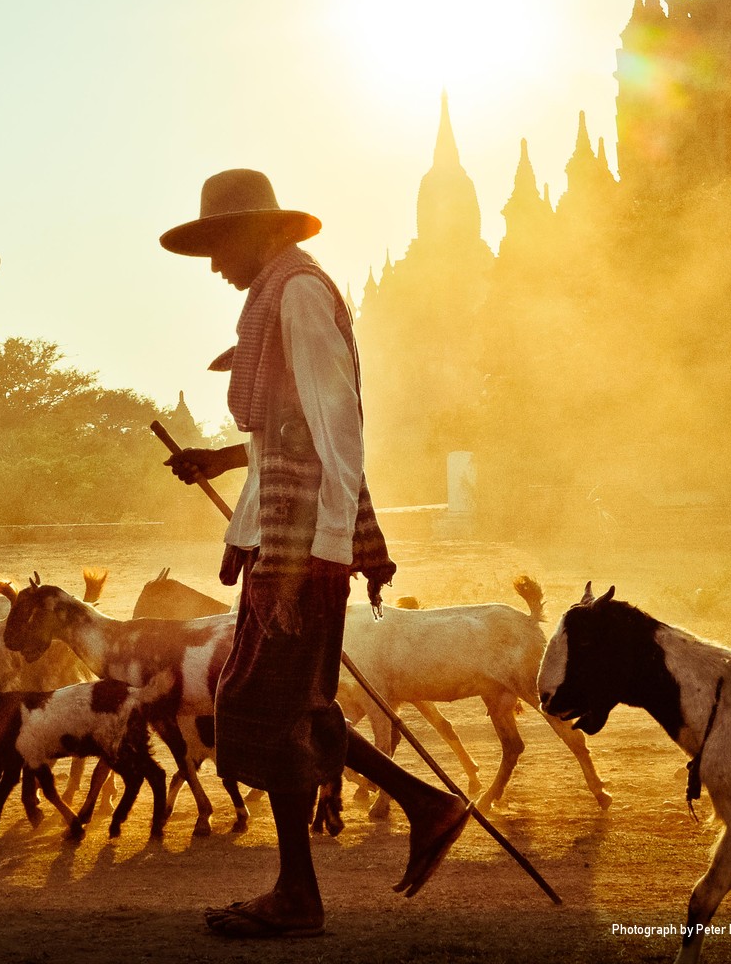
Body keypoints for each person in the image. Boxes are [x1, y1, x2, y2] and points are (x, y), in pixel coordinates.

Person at [160, 168, 470, 940]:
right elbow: (287, 434)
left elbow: (336, 426)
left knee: (258, 711)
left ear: (262, 231)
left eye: (220, 242)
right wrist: (222, 460)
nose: (214, 264)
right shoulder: (276, 296)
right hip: (288, 538)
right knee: (296, 707)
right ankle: (419, 806)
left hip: (302, 548)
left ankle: (302, 893)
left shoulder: (296, 293)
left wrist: (324, 549)